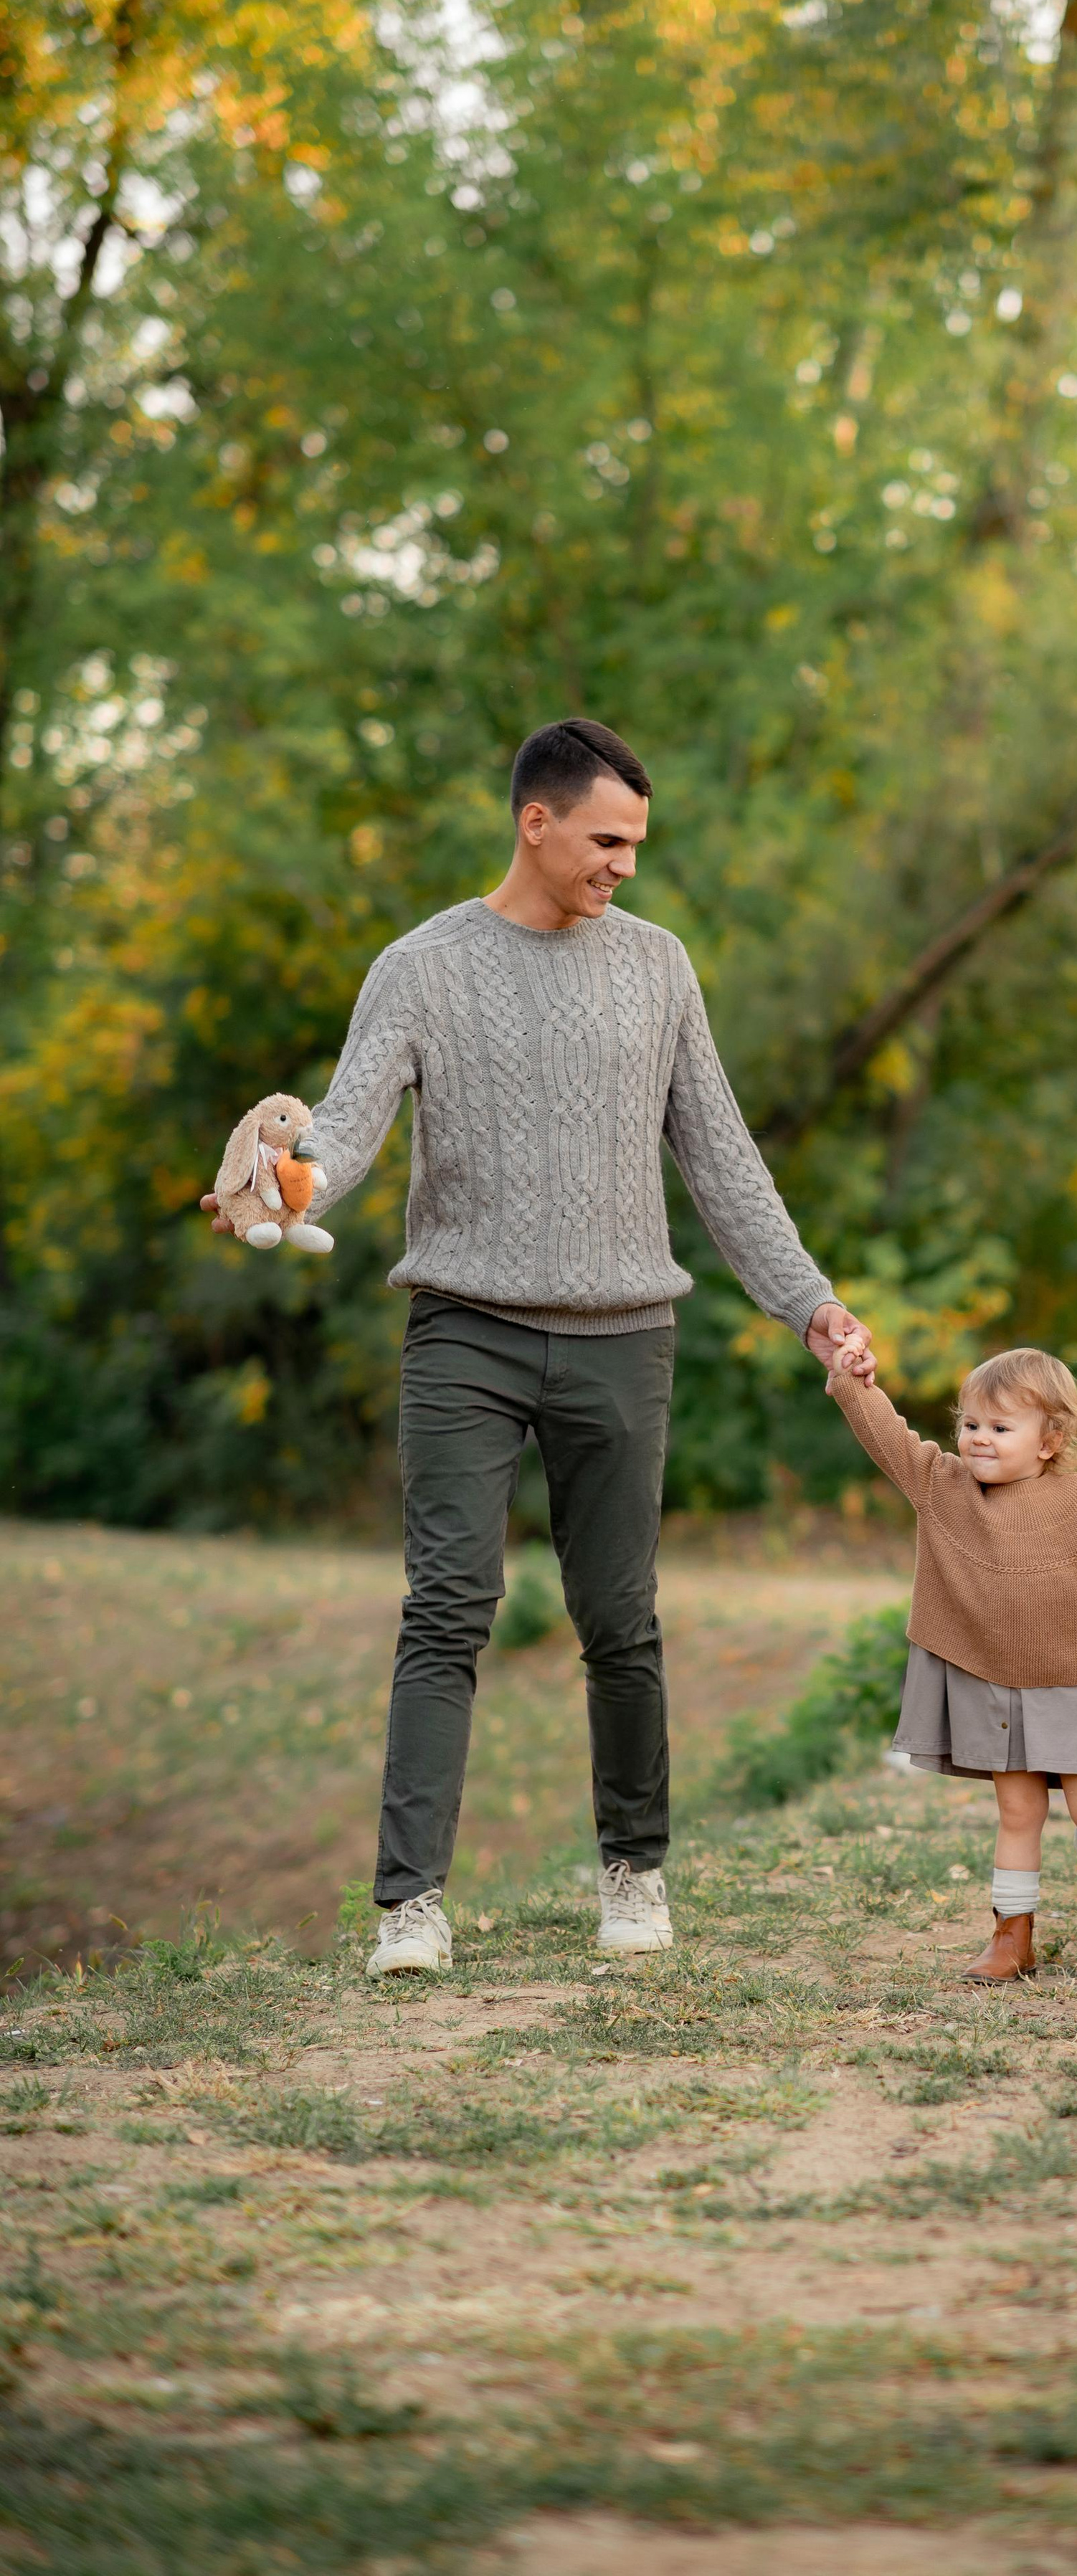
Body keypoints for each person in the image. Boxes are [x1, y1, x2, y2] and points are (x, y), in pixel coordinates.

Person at [201, 718, 868, 1978]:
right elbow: (343, 1133)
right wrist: (284, 1186)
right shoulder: (421, 966)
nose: (626, 864)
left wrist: (811, 1304)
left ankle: (635, 1870)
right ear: (537, 821)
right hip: (467, 1331)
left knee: (620, 1617)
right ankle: (410, 1904)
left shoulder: (659, 966)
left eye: (637, 844)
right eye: (608, 839)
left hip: (625, 1337)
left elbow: (723, 1159)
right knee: (447, 1606)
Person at [825, 1336, 1077, 1980]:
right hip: (989, 1684)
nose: (979, 1439)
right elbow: (887, 1435)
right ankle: (1010, 1936)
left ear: (1050, 1441)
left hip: (1067, 1683)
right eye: (970, 1424)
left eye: (1000, 1427)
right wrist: (853, 1380)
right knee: (1019, 1814)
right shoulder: (942, 1485)